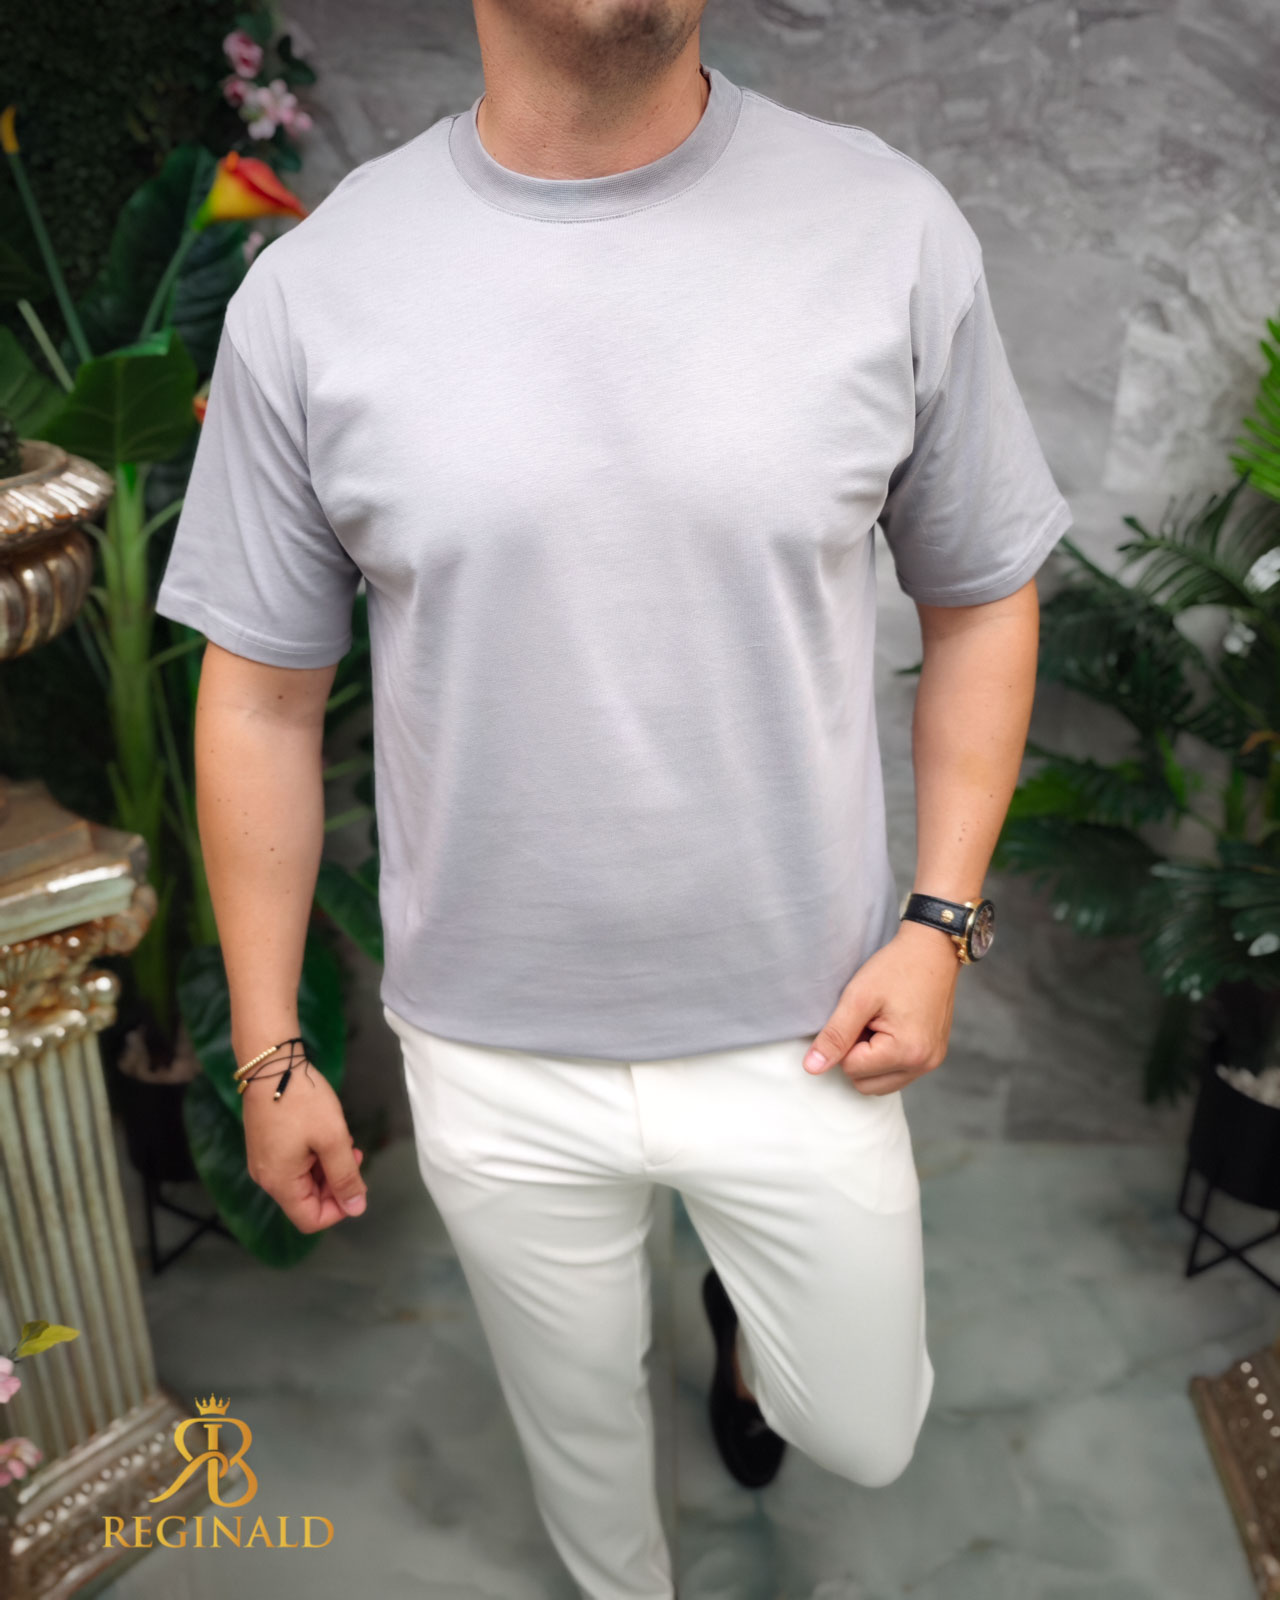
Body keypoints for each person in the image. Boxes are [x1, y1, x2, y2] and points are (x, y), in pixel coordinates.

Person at [154, 2, 1072, 1595]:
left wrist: (940, 924)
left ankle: (740, 1328)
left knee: (864, 1428)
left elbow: (984, 593)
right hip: (492, 1048)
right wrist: (269, 1047)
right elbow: (259, 695)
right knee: (579, 1440)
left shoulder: (887, 229)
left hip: (807, 1022)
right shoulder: (317, 289)